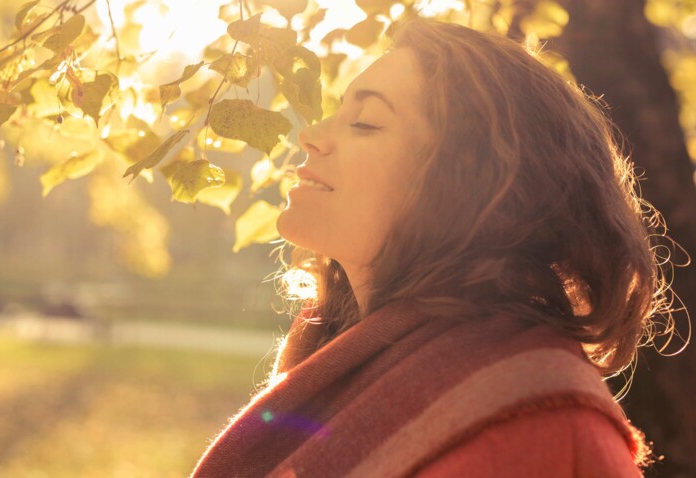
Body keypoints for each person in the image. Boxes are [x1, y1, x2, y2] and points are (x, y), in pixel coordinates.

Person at [192, 18, 680, 477]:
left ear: (471, 181)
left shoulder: (532, 417)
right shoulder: (332, 367)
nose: (311, 136)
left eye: (364, 122)